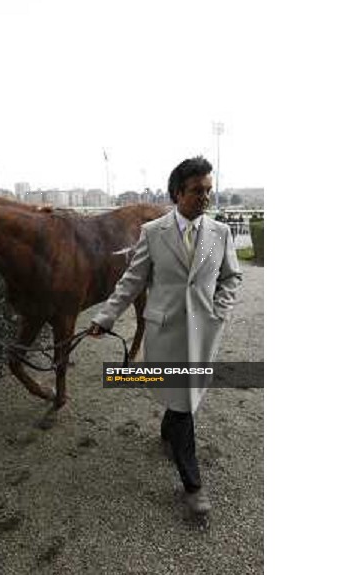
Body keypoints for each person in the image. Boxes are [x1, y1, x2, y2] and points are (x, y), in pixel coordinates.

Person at [88, 156, 242, 514]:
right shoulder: (154, 232)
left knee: (182, 399)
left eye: (208, 190)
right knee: (184, 402)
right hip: (166, 332)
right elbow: (131, 281)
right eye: (196, 190)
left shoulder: (218, 233)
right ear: (177, 192)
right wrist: (106, 317)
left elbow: (231, 277)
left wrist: (219, 311)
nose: (204, 197)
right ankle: (193, 485)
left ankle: (167, 433)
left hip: (203, 333)